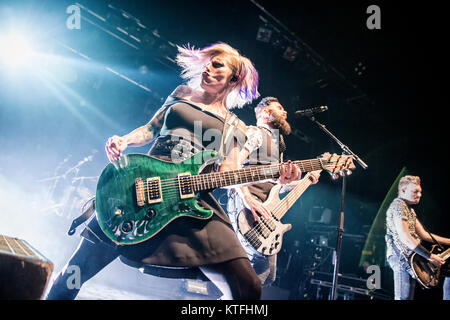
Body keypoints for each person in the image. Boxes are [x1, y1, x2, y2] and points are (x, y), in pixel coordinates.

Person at [46, 42, 302, 300]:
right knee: (72, 274)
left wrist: (274, 177)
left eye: (216, 64)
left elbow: (230, 171)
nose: (207, 68)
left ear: (234, 78)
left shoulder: (237, 126)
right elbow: (149, 129)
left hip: (193, 201)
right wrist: (124, 140)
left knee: (247, 289)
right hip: (144, 188)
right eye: (207, 63)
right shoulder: (182, 94)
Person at [226, 96, 320, 286]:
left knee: (268, 276)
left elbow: (277, 187)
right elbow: (232, 166)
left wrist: (304, 182)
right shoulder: (255, 133)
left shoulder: (277, 146)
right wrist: (246, 198)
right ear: (265, 112)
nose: (285, 112)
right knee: (258, 271)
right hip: (247, 206)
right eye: (279, 107)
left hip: (265, 211)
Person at [385, 175, 450, 300]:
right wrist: (430, 256)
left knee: (407, 297)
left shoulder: (410, 210)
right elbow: (405, 237)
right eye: (415, 191)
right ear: (403, 191)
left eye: (420, 192)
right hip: (400, 258)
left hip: (411, 258)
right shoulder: (398, 206)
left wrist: (449, 241)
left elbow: (423, 234)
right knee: (403, 297)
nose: (419, 195)